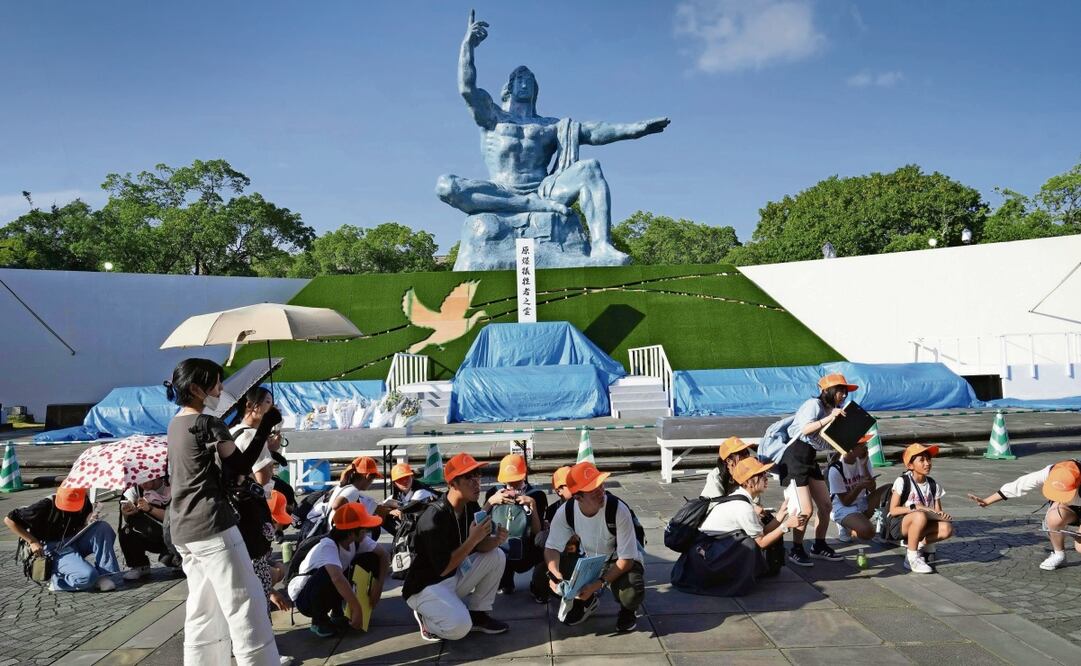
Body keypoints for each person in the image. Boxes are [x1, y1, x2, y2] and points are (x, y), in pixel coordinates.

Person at [436, 11, 669, 262]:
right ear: (509, 87)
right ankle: (527, 205)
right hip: (500, 190)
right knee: (446, 186)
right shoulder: (492, 116)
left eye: (530, 80)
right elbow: (467, 89)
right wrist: (468, 46)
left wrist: (635, 129)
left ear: (536, 89)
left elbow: (594, 131)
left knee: (590, 168)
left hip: (544, 190)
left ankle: (602, 246)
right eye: (519, 79)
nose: (525, 83)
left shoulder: (551, 126)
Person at [164, 358, 282, 665]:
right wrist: (265, 427)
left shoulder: (175, 424)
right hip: (213, 523)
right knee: (246, 603)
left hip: (182, 527)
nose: (220, 389)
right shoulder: (208, 424)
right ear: (196, 389)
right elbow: (241, 466)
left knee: (203, 608)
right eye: (216, 384)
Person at [403, 453, 509, 641]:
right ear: (453, 483)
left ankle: (478, 614)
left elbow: (480, 547)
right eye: (469, 477)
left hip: (451, 577)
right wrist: (473, 540)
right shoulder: (433, 517)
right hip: (425, 586)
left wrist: (495, 540)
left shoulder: (470, 505)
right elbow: (444, 567)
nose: (477, 483)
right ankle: (426, 620)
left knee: (497, 555)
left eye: (478, 475)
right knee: (460, 628)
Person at [676, 458, 805, 595]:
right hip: (705, 556)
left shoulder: (741, 498)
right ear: (748, 482)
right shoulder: (743, 507)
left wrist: (781, 514)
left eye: (765, 473)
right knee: (748, 544)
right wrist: (786, 526)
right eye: (761, 475)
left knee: (748, 540)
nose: (766, 477)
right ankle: (732, 582)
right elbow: (761, 542)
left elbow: (761, 532)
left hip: (706, 551)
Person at [544, 461, 645, 633]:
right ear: (578, 497)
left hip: (617, 560)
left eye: (600, 484)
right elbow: (551, 548)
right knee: (543, 575)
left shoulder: (618, 509)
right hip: (588, 560)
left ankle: (628, 611)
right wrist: (556, 575)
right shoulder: (566, 511)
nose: (600, 491)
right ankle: (587, 602)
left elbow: (627, 560)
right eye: (592, 489)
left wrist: (598, 584)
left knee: (630, 591)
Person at [780, 373, 855, 566]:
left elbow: (824, 441)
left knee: (826, 505)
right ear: (827, 391)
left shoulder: (833, 410)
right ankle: (796, 549)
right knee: (805, 509)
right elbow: (805, 429)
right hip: (795, 456)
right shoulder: (814, 404)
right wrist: (830, 418)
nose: (843, 395)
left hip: (809, 457)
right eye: (840, 391)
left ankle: (819, 545)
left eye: (845, 392)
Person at [288, 502, 386, 638]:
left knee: (371, 558)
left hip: (328, 588)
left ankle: (338, 612)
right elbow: (337, 578)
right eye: (364, 529)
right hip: (306, 599)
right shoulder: (328, 545)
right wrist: (356, 608)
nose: (367, 532)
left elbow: (383, 555)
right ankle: (319, 620)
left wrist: (378, 586)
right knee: (329, 573)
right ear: (351, 532)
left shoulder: (358, 539)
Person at [967, 458, 1081, 570]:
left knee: (1080, 547)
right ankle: (1059, 554)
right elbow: (1019, 485)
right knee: (1053, 518)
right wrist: (987, 501)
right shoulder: (1051, 471)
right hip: (1068, 509)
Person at [4, 485, 120, 592]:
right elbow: (9, 520)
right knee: (88, 577)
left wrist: (89, 521)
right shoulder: (45, 505)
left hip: (73, 539)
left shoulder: (84, 501)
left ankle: (104, 575)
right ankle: (58, 582)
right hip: (53, 547)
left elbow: (79, 525)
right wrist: (32, 541)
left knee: (102, 527)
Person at [483, 454, 549, 594]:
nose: (512, 484)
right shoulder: (493, 493)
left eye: (516, 479)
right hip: (500, 546)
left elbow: (537, 532)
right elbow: (479, 522)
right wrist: (491, 502)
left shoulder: (537, 495)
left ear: (524, 475)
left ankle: (538, 585)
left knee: (545, 547)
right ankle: (505, 581)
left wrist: (532, 505)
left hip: (528, 547)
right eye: (508, 480)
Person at [888, 444, 953, 574]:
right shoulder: (902, 481)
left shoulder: (933, 485)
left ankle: (918, 544)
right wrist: (914, 507)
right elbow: (893, 510)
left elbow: (938, 512)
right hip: (900, 525)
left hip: (923, 524)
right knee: (919, 515)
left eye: (928, 459)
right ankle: (911, 558)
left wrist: (942, 515)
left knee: (947, 528)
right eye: (922, 460)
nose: (927, 463)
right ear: (910, 465)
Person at [827, 435, 891, 542]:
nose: (866, 448)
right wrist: (859, 486)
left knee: (890, 489)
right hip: (842, 507)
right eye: (862, 446)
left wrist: (864, 466)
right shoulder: (836, 469)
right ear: (850, 449)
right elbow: (845, 502)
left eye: (865, 444)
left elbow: (872, 488)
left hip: (860, 502)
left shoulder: (863, 460)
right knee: (868, 532)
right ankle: (846, 526)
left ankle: (877, 522)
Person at [120, 476, 181, 580]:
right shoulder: (135, 490)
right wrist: (127, 512)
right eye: (139, 480)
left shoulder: (172, 485)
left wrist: (150, 509)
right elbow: (127, 518)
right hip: (150, 533)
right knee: (126, 531)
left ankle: (179, 559)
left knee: (167, 559)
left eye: (145, 479)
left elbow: (174, 518)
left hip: (171, 536)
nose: (143, 484)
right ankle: (140, 566)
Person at [529, 466, 575, 604]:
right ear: (558, 490)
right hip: (561, 555)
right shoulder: (552, 510)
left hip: (584, 555)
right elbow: (545, 541)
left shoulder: (585, 503)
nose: (576, 487)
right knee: (541, 571)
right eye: (571, 484)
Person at [385, 463, 438, 534]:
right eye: (400, 479)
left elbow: (409, 507)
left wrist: (394, 510)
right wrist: (388, 511)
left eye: (407, 477)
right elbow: (381, 506)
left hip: (436, 525)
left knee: (404, 515)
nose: (404, 481)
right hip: (422, 527)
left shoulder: (422, 491)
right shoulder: (399, 493)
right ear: (394, 484)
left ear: (412, 477)